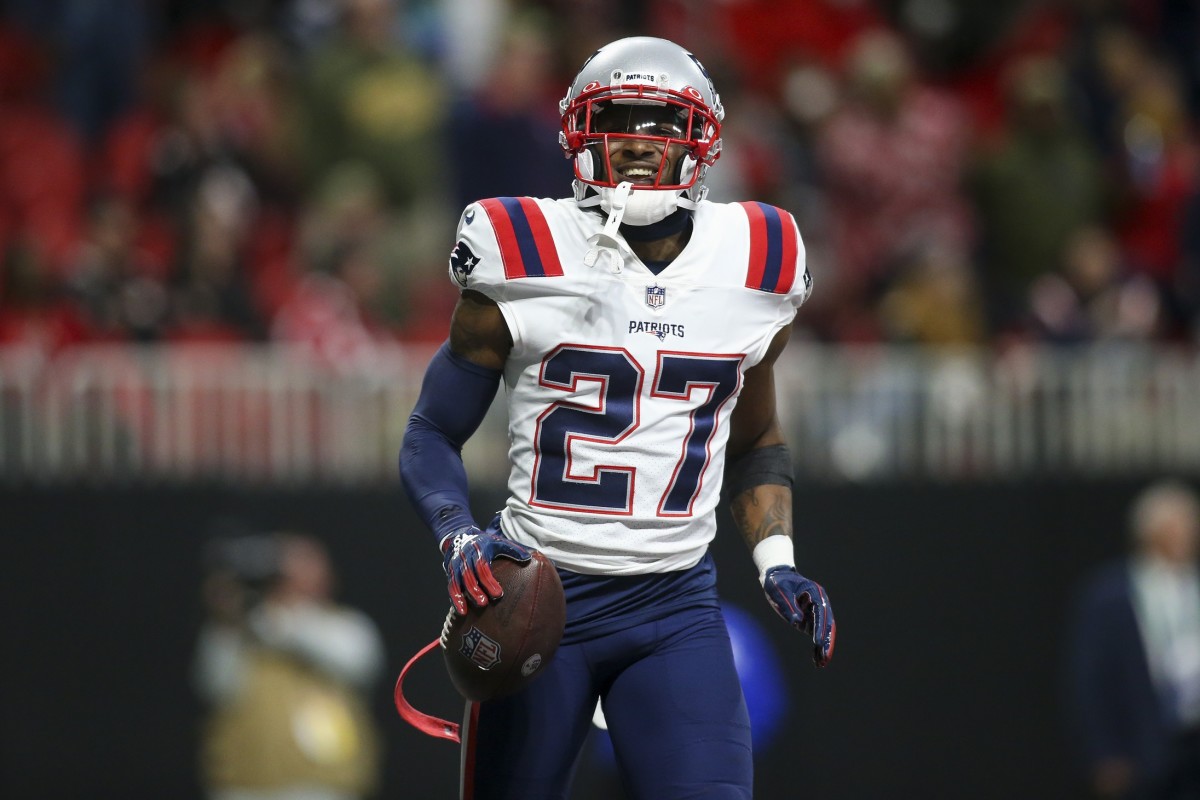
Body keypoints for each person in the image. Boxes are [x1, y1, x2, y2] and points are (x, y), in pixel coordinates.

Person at [398, 36, 836, 799]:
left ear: (699, 142)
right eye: (620, 119)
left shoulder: (757, 258)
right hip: (539, 598)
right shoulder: (520, 247)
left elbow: (754, 434)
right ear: (577, 132)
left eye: (660, 125)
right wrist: (456, 533)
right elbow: (431, 432)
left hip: (675, 604)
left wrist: (778, 559)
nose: (637, 143)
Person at [193, 531, 385, 800]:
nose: (295, 573)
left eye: (306, 562)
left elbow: (360, 663)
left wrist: (277, 622)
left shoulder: (345, 626)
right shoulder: (238, 631)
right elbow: (214, 685)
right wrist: (228, 619)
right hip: (244, 789)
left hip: (325, 789)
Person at [1067, 480, 1200, 799]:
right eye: (1178, 526)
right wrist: (1105, 753)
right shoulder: (1108, 595)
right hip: (1144, 747)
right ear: (1151, 532)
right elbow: (1091, 679)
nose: (1189, 535)